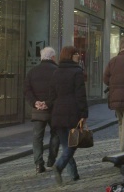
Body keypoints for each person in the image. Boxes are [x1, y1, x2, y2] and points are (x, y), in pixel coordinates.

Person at [49, 46, 88, 186]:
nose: (78, 55)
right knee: (73, 144)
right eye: (75, 53)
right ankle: (59, 166)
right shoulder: (77, 72)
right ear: (70, 56)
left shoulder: (56, 72)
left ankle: (74, 174)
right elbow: (80, 95)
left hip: (58, 113)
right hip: (72, 112)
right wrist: (84, 114)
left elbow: (52, 95)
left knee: (67, 145)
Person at [24, 46, 60, 174]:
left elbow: (27, 90)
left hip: (38, 110)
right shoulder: (57, 71)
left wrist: (35, 103)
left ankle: (39, 164)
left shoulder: (32, 71)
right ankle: (51, 160)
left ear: (41, 57)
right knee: (56, 134)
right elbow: (59, 92)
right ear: (53, 57)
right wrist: (48, 103)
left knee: (37, 136)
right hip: (54, 109)